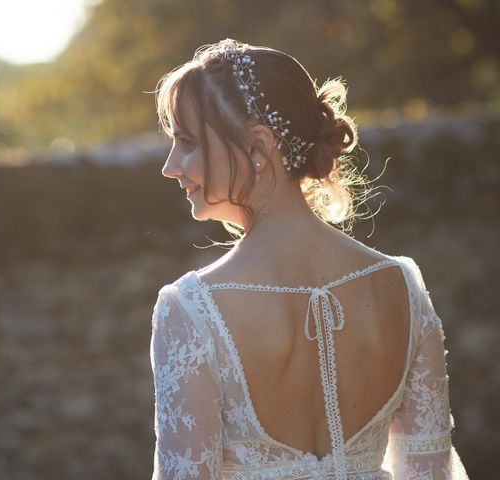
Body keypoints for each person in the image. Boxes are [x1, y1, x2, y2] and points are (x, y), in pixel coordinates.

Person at [149, 38, 469, 479]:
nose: (170, 165)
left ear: (259, 147)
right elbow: (431, 473)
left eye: (187, 142)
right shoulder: (402, 286)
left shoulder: (189, 309)